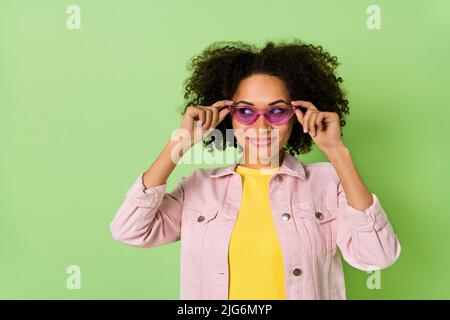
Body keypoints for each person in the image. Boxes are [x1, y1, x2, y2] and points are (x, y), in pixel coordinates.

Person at [109, 40, 401, 300]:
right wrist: (179, 144)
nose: (260, 126)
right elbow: (129, 231)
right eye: (246, 111)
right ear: (229, 117)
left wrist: (337, 151)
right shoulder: (199, 188)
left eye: (276, 111)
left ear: (296, 116)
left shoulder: (328, 183)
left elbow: (377, 256)